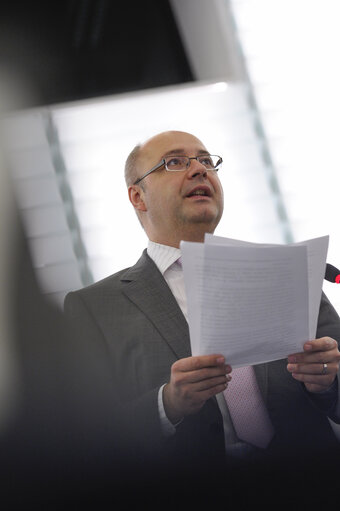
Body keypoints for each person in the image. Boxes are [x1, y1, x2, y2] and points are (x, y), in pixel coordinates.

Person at [64, 130, 340, 488]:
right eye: (175, 162)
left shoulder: (285, 270)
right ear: (138, 196)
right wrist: (168, 404)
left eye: (207, 161)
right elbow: (88, 437)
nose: (199, 170)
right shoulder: (93, 308)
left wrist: (328, 381)